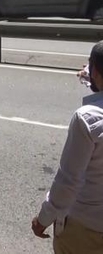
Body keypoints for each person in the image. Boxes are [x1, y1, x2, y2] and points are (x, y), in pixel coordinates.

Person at [32, 41, 103, 252]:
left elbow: (68, 181)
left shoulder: (86, 119)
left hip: (86, 228)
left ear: (96, 72)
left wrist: (44, 218)